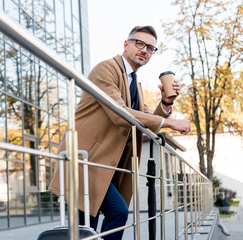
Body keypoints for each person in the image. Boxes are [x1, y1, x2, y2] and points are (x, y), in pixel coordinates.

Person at [48, 25, 191, 239]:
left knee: (87, 228)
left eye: (150, 48)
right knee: (117, 212)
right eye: (139, 43)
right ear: (126, 44)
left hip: (108, 167)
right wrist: (168, 123)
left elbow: (142, 121)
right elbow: (120, 114)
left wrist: (165, 103)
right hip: (87, 161)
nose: (144, 50)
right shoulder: (106, 69)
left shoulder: (135, 83)